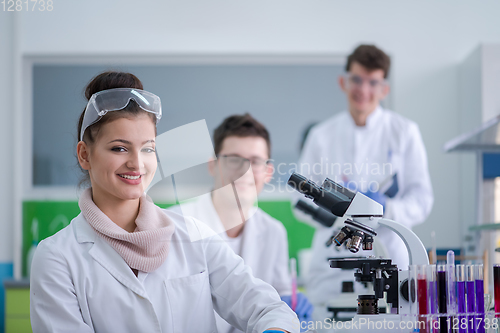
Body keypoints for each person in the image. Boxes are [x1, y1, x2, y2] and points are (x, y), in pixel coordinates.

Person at [29, 71, 299, 333]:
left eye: (148, 148)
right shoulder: (57, 257)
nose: (137, 163)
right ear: (85, 155)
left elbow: (267, 308)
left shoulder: (195, 236)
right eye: (119, 148)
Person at [295, 45, 434, 321]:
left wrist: (385, 210)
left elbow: (422, 199)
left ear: (385, 89)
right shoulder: (321, 136)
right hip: (331, 267)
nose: (364, 89)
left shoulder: (404, 133)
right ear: (343, 82)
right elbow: (299, 201)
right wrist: (339, 213)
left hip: (389, 259)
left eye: (373, 82)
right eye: (357, 80)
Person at [169, 114, 313, 333]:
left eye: (255, 161)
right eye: (234, 159)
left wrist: (289, 308)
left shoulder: (272, 231)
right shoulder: (175, 226)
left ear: (268, 172)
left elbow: (279, 297)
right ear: (213, 166)